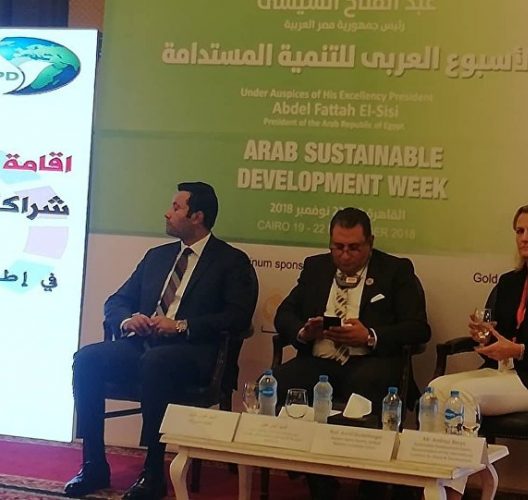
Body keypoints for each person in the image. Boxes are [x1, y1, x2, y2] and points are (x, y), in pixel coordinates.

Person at [65, 182, 258, 500]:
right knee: (86, 359)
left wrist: (181, 326)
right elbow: (117, 300)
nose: (167, 213)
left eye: (176, 207)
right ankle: (93, 464)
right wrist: (129, 320)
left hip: (193, 352)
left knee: (155, 362)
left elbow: (238, 317)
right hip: (143, 345)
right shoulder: (157, 256)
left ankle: (153, 472)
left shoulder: (230, 261)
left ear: (197, 216)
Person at [428, 203, 528, 499]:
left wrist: (520, 350)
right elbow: (498, 338)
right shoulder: (509, 281)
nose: (524, 237)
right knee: (435, 388)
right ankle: (434, 486)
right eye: (519, 231)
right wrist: (484, 337)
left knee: (461, 396)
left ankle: (453, 494)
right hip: (501, 373)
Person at [273, 206, 430, 500]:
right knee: (277, 383)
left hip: (371, 362)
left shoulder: (395, 270)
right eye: (338, 247)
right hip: (320, 360)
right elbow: (284, 314)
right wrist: (304, 332)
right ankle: (318, 480)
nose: (345, 255)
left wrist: (370, 335)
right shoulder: (316, 268)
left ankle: (372, 484)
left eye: (354, 248)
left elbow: (419, 329)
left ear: (370, 243)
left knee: (366, 386)